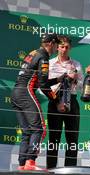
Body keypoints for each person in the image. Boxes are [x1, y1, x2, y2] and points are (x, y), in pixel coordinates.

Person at [11, 33, 63, 171]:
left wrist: (58, 80)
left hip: (16, 92)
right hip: (26, 92)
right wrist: (57, 101)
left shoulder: (34, 52)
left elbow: (41, 82)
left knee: (27, 131)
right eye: (57, 45)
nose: (57, 48)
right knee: (39, 129)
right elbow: (44, 85)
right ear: (51, 43)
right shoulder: (44, 57)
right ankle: (31, 161)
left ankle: (22, 164)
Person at [46, 35, 84, 169]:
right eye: (61, 47)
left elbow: (82, 87)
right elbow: (43, 87)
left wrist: (75, 80)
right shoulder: (49, 63)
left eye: (67, 47)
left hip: (72, 101)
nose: (64, 49)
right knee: (53, 138)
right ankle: (50, 169)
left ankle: (70, 170)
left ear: (70, 48)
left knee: (72, 139)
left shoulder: (77, 64)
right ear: (57, 47)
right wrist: (56, 100)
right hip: (55, 100)